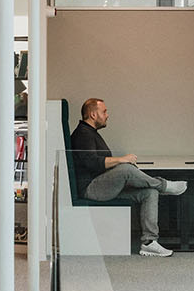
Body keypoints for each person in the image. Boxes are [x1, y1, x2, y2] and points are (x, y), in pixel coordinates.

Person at [69, 97, 186, 256]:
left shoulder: (91, 133)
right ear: (93, 115)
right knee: (126, 169)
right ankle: (164, 185)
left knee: (149, 192)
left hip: (103, 186)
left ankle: (149, 242)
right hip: (91, 189)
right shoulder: (83, 134)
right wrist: (121, 160)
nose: (107, 115)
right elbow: (92, 162)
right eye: (104, 111)